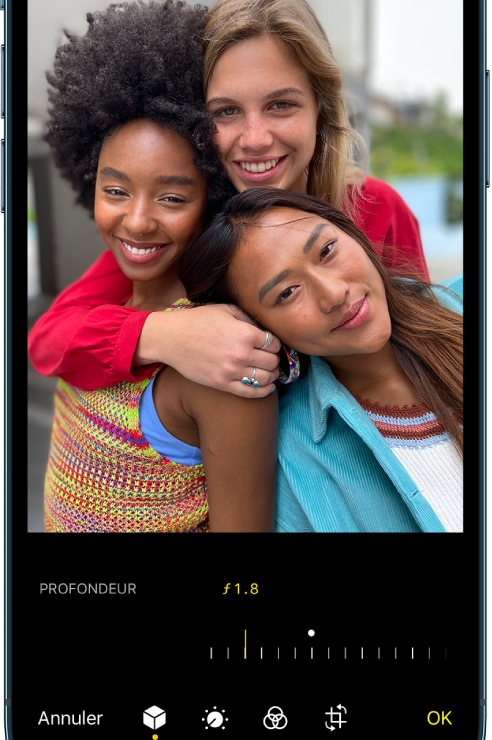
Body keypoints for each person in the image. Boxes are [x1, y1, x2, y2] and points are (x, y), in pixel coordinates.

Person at [29, 0, 428, 396]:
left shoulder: (378, 209)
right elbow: (50, 339)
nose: (255, 140)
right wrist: (165, 333)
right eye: (227, 112)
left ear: (320, 111)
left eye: (281, 105)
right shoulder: (188, 229)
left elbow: (424, 341)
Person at [41, 1, 277, 533]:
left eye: (172, 198)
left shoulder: (220, 358)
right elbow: (46, 341)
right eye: (116, 190)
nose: (138, 221)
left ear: (213, 199)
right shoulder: (110, 291)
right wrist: (156, 332)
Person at [180, 188, 463, 534]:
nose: (333, 294)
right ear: (257, 328)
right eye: (287, 293)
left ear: (350, 232)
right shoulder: (292, 461)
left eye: (327, 250)